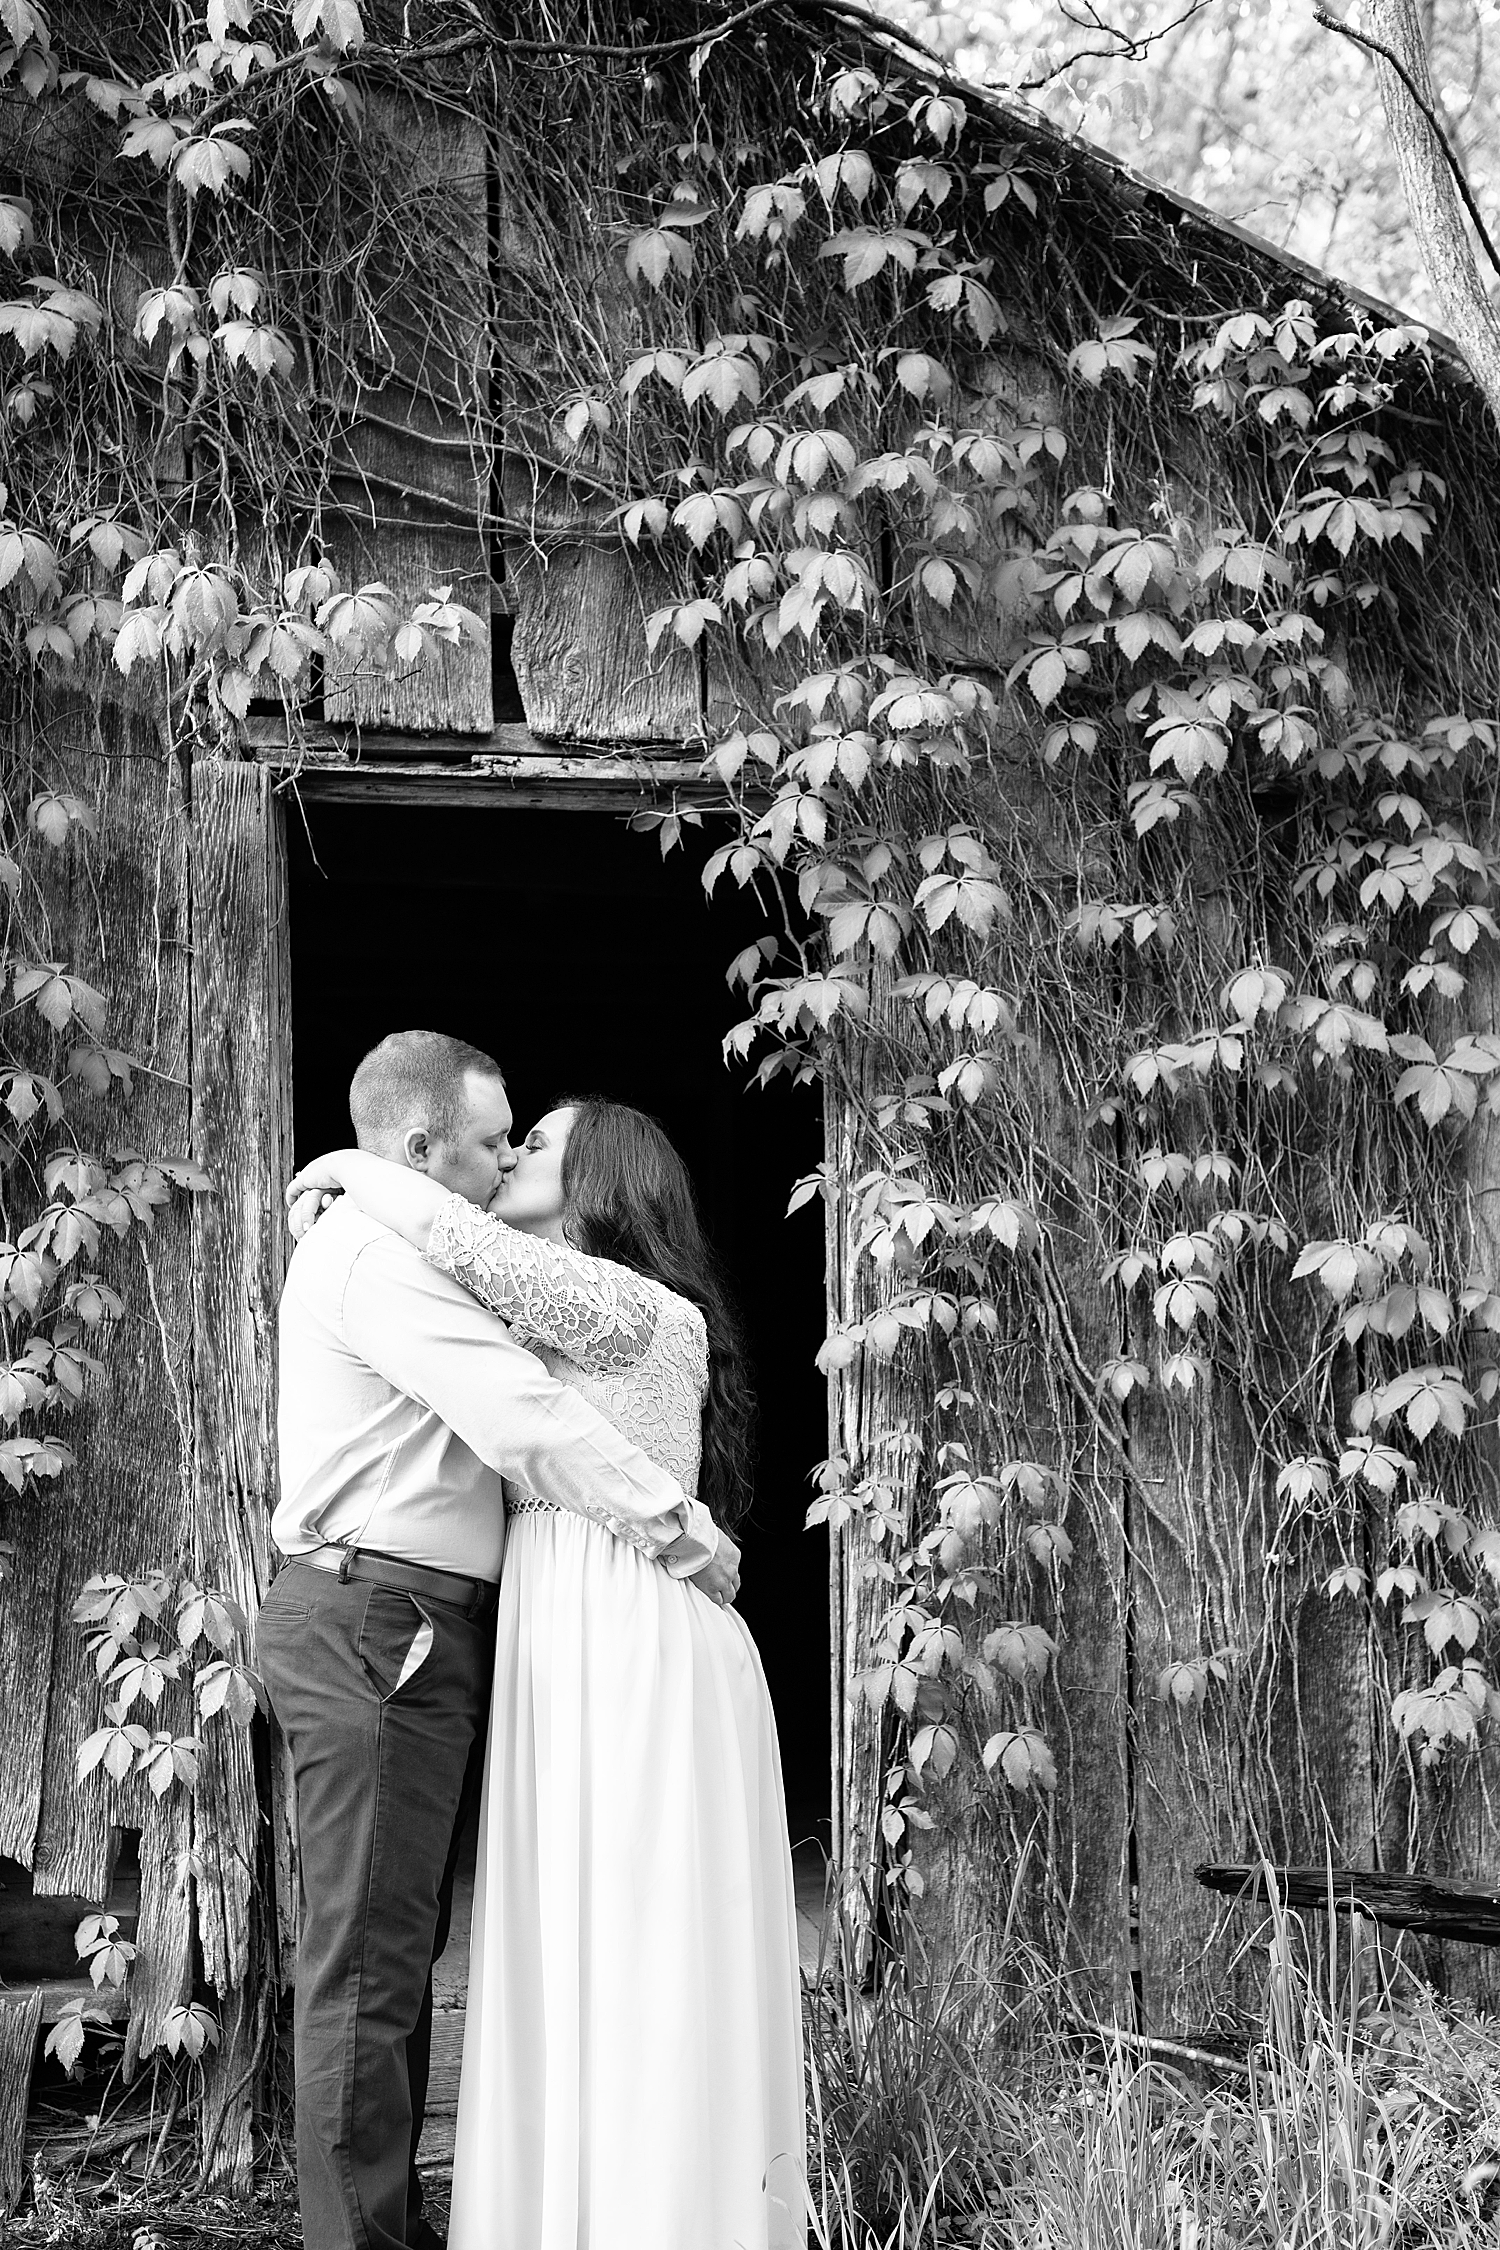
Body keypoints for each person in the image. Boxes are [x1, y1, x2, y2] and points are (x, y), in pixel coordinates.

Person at [285, 1094, 806, 2250]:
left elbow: (457, 1241)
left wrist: (343, 1164)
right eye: (509, 1137)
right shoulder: (523, 1302)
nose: (515, 1154)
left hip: (629, 1633)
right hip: (562, 1626)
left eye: (540, 1143)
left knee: (636, 1933)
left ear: (603, 1187)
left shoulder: (630, 1303)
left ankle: (652, 2213)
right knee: (564, 1927)